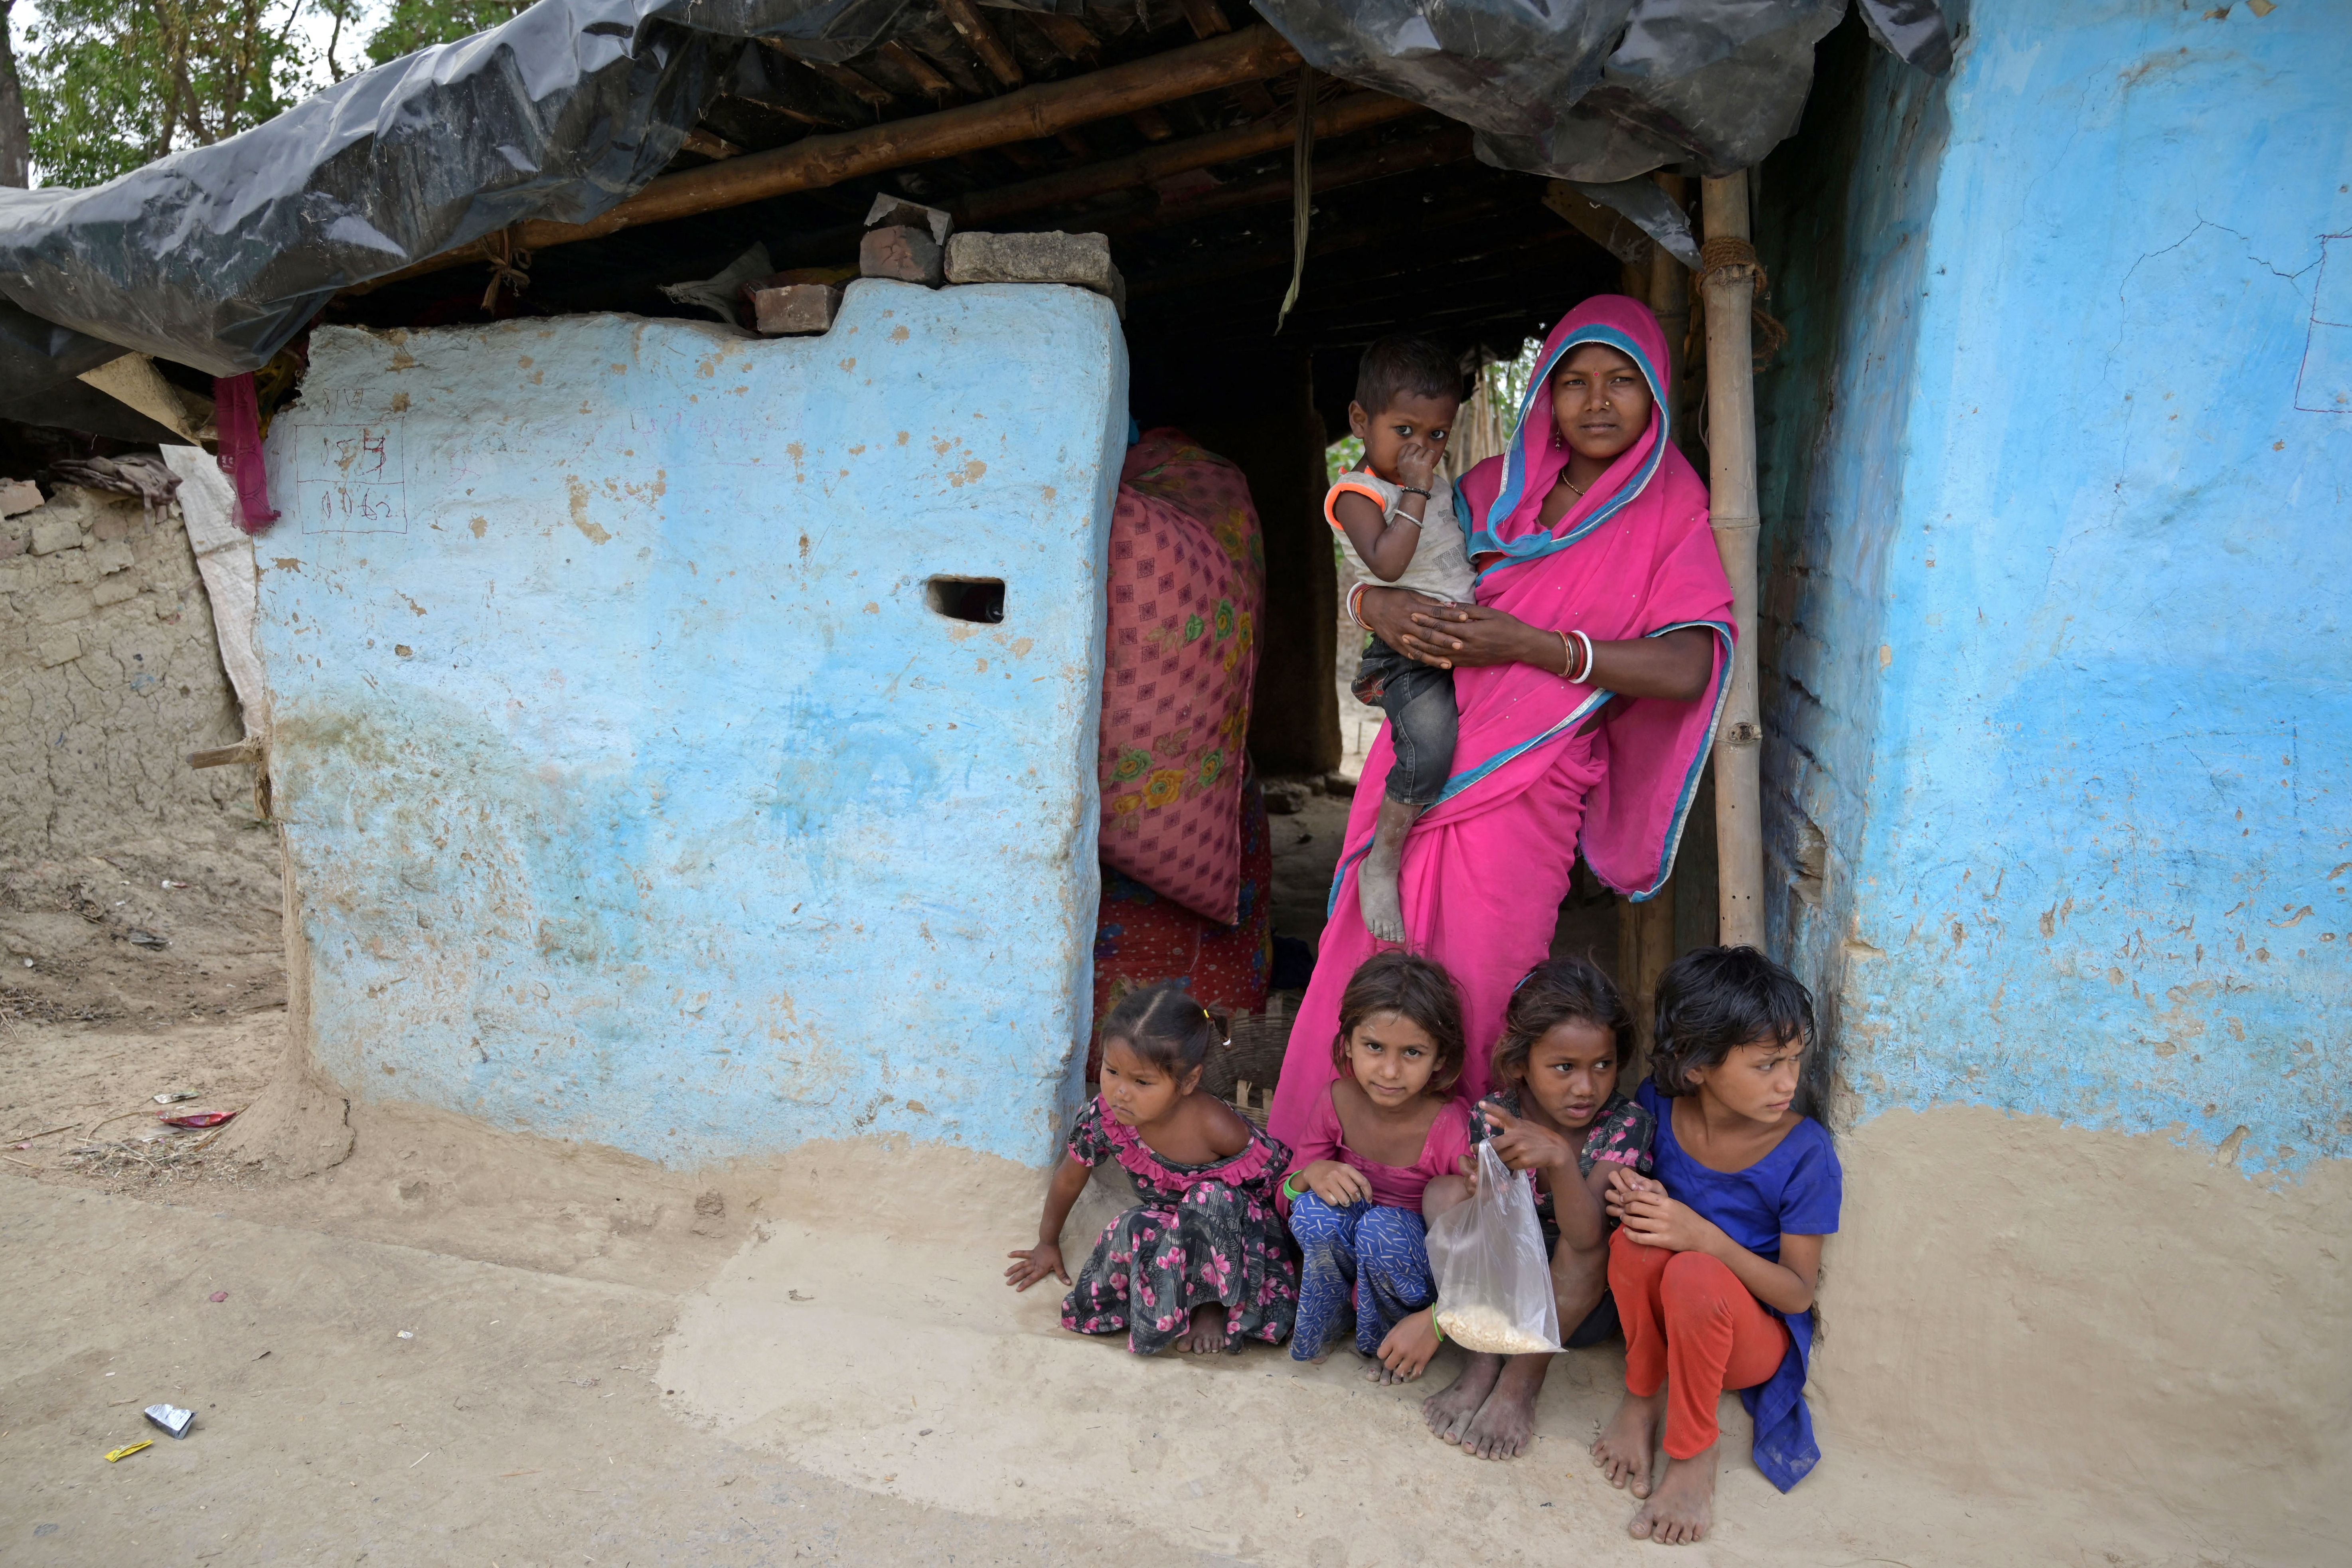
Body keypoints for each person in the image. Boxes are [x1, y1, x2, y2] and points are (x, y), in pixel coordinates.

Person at [1270, 294, 1733, 1155]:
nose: (1597, 401)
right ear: (1544, 395)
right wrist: (1378, 604)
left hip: (1533, 782)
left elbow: (1687, 665)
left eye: (1623, 380)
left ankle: (1458, 1183)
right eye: (1574, 382)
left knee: (1485, 981)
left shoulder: (1671, 510)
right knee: (1370, 966)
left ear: (1658, 394)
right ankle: (1325, 1168)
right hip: (1423, 755)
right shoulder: (1486, 491)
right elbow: (1399, 570)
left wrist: (1540, 647)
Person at [1592, 947, 1841, 1544]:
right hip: (1671, 1320)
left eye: (1793, 1061)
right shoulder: (1658, 1103)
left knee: (1694, 1274)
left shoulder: (1805, 1153)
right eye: (1765, 1065)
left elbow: (1796, 1293)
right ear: (1696, 1064)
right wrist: (1632, 1192)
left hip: (1745, 1337)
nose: (1788, 1083)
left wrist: (1704, 1238)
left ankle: (1692, 1449)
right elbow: (1639, 1197)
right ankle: (1642, 1394)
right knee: (1634, 1242)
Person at [1408, 955, 1655, 1461]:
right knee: (1443, 1194)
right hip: (1506, 1290)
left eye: (1602, 1065)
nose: (1586, 1087)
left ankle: (1523, 1377)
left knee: (1591, 1245)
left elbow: (1588, 1241)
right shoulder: (1498, 1115)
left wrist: (1561, 1162)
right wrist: (1482, 1190)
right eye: (1564, 1068)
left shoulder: (1624, 1124)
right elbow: (1484, 1222)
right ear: (1521, 1064)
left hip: (1577, 1306)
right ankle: (1481, 1356)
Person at [1006, 983, 1298, 1356]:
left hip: (1236, 1238)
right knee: (1130, 1223)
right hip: (1173, 1228)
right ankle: (1136, 1313)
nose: (1120, 1092)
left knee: (1210, 1197)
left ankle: (1212, 1310)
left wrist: (1295, 1260)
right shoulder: (1106, 1117)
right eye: (1112, 1072)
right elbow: (1069, 1177)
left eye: (1141, 1082)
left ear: (1188, 1081)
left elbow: (1279, 1185)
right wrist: (1047, 1242)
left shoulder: (1215, 1125)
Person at [1324, 335, 1475, 944]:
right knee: (1431, 743)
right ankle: (1382, 860)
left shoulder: (1438, 485)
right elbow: (1387, 565)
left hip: (1464, 638)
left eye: (1436, 436)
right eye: (1405, 430)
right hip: (1406, 650)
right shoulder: (1357, 494)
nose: (1422, 450)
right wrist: (1414, 487)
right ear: (1361, 421)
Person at [1280, 950, 1473, 1383]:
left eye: (1413, 1053)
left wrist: (1440, 1317)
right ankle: (1330, 1322)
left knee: (1382, 1228)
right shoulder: (1337, 1101)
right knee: (1312, 1211)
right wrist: (1311, 1175)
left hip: (1413, 1274)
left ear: (1440, 1058)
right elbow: (1284, 1194)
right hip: (1352, 1251)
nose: (1389, 1070)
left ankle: (1389, 1341)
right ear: (1347, 1042)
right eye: (1374, 1047)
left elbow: (1472, 1238)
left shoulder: (1448, 1126)